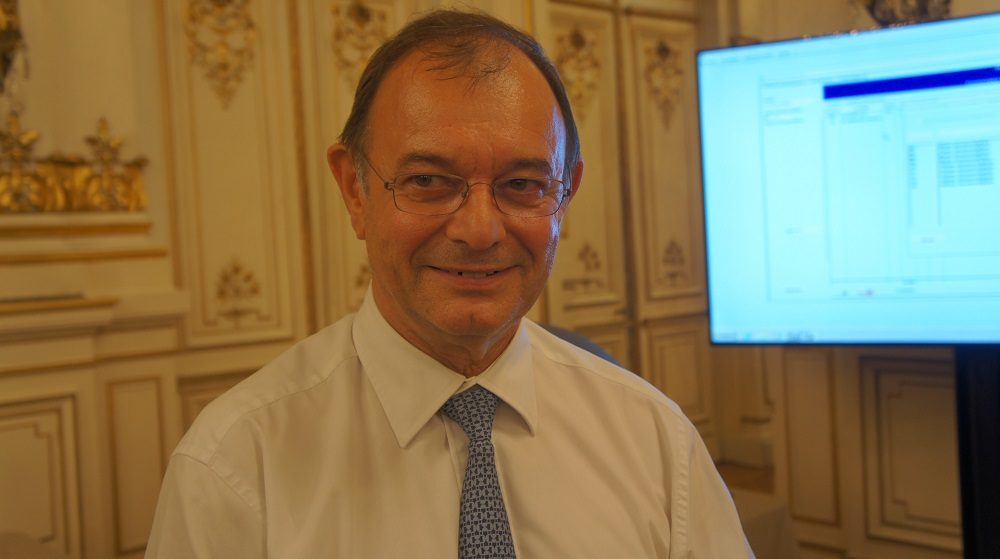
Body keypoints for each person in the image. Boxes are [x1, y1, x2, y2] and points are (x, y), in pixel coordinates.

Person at [146, 9, 752, 558]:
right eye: (430, 181)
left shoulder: (653, 439)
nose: (480, 229)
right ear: (355, 189)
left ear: (565, 193)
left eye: (523, 184)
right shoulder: (235, 466)